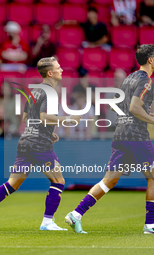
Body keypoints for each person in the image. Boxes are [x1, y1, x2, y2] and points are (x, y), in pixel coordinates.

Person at [0, 57, 81, 231]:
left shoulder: (35, 92)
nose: (62, 70)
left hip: (26, 140)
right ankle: (47, 222)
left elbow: (26, 118)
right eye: (59, 68)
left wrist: (49, 134)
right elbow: (42, 117)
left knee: (12, 184)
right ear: (50, 73)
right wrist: (67, 120)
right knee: (58, 181)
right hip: (38, 144)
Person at [65, 44, 154, 234]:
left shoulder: (129, 78)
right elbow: (134, 108)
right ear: (151, 60)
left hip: (121, 133)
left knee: (110, 181)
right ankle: (151, 225)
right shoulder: (146, 80)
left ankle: (76, 214)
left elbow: (115, 105)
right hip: (136, 135)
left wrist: (143, 110)